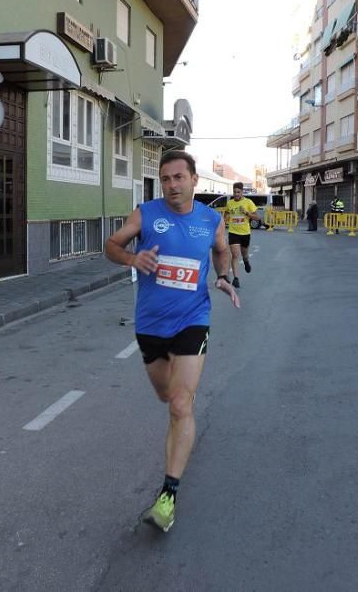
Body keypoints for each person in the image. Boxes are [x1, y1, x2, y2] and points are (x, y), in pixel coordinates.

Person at [105, 150, 240, 533]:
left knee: (180, 405)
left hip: (192, 320)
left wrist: (224, 276)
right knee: (166, 395)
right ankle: (183, 406)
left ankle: (168, 496)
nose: (172, 185)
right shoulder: (145, 214)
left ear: (195, 180)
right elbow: (111, 246)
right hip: (150, 325)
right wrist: (133, 260)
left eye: (179, 177)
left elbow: (220, 252)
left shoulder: (211, 219)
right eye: (165, 179)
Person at [225, 182, 259, 287]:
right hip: (233, 232)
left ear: (242, 192)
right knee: (235, 255)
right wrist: (225, 218)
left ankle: (246, 261)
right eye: (234, 192)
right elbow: (226, 214)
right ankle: (236, 278)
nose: (236, 194)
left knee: (244, 254)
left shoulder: (248, 202)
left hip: (245, 233)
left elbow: (257, 218)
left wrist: (247, 213)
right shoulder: (230, 203)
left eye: (238, 192)